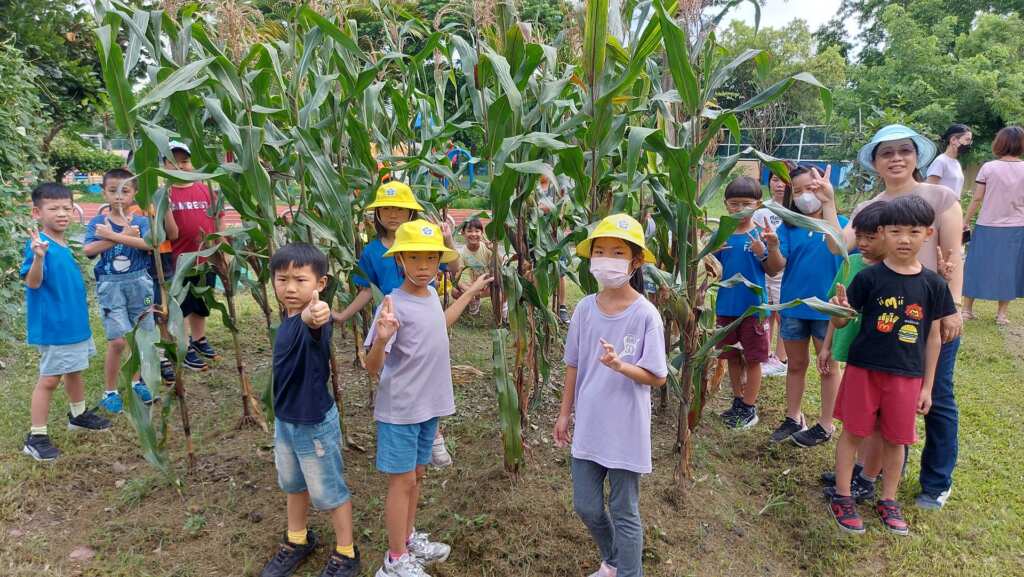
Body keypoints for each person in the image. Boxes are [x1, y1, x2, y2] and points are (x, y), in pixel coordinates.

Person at [822, 123, 964, 510]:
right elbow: (840, 246)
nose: (896, 158)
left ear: (917, 156)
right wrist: (830, 204)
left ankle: (936, 482)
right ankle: (870, 474)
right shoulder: (870, 208)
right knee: (877, 397)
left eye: (904, 150)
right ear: (875, 162)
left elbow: (953, 252)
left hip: (930, 315)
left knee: (936, 397)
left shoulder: (941, 197)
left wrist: (953, 306)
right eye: (886, 153)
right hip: (882, 318)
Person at [364, 220, 492, 577]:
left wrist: (468, 293)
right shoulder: (392, 304)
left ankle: (407, 540)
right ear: (400, 260)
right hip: (400, 410)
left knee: (417, 477)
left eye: (430, 258)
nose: (423, 266)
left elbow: (440, 323)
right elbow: (372, 367)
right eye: (414, 258)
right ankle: (393, 560)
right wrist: (380, 338)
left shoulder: (432, 295)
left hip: (427, 408)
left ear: (439, 259)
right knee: (402, 482)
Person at [553, 213, 667, 577]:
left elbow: (657, 377)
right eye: (599, 251)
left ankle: (627, 571)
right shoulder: (585, 309)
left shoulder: (646, 315)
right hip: (589, 423)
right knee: (585, 505)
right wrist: (564, 413)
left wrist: (620, 366)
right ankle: (614, 559)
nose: (606, 259)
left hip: (626, 428)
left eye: (616, 252)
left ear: (635, 262)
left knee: (624, 510)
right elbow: (573, 364)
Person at [333, 182, 461, 469]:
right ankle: (406, 436)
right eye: (386, 208)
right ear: (377, 213)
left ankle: (434, 435)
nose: (392, 214)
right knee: (400, 380)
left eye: (399, 209)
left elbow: (453, 268)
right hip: (392, 320)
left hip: (421, 318)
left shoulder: (423, 243)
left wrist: (448, 239)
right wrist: (343, 316)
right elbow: (366, 290)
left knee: (427, 378)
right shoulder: (371, 252)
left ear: (410, 213)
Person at [258, 243, 360, 577]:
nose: (289, 287)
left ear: (320, 283)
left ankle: (347, 552)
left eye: (300, 280)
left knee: (329, 491)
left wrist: (314, 315)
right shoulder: (287, 316)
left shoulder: (313, 317)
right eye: (281, 278)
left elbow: (314, 321)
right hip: (286, 420)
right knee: (292, 484)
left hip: (314, 424)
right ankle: (298, 538)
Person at [20, 183, 112, 462]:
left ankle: (78, 414)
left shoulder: (62, 244)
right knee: (49, 380)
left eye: (66, 208)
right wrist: (38, 257)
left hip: (75, 324)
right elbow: (32, 283)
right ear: (37, 212)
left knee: (75, 370)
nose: (62, 213)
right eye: (53, 208)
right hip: (55, 327)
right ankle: (36, 437)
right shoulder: (40, 246)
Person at [767, 165, 848, 448]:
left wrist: (829, 206)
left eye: (810, 188)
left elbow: (841, 248)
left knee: (828, 366)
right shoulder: (790, 227)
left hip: (827, 310)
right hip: (793, 307)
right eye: (797, 191)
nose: (803, 196)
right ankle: (793, 417)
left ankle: (826, 424)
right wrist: (774, 246)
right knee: (796, 365)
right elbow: (777, 266)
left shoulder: (841, 223)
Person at [817, 201, 890, 502]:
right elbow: (836, 306)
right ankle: (855, 469)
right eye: (859, 237)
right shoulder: (852, 264)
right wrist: (827, 346)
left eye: (871, 237)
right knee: (857, 417)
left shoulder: (893, 275)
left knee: (874, 421)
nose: (863, 244)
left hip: (879, 357)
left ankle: (867, 475)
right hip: (854, 354)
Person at [83, 169, 157, 413]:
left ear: (134, 193)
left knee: (139, 337)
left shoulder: (142, 222)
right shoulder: (97, 223)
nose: (118, 196)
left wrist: (115, 236)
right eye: (112, 190)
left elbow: (149, 244)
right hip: (110, 286)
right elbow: (89, 250)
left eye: (125, 190)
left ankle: (136, 382)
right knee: (117, 341)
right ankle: (110, 390)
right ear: (103, 192)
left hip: (140, 283)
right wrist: (119, 236)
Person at [715, 177, 783, 429]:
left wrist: (764, 251)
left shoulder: (762, 234)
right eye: (734, 203)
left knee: (754, 359)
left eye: (747, 203)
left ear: (757, 205)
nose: (740, 208)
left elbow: (774, 270)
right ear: (725, 205)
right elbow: (708, 268)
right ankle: (737, 400)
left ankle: (749, 406)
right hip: (725, 307)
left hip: (754, 308)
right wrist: (711, 251)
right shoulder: (720, 235)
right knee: (732, 356)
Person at [163, 141, 223, 372]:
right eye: (173, 162)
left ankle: (199, 339)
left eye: (185, 161)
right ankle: (185, 345)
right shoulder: (165, 194)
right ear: (164, 166)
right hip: (179, 261)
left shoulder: (205, 189)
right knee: (183, 306)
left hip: (205, 258)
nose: (180, 166)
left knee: (202, 303)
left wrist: (220, 247)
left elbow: (218, 219)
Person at [962, 126, 1024, 325]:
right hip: (1017, 226)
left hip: (987, 224)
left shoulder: (988, 167)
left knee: (976, 265)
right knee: (1009, 268)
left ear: (999, 143)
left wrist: (965, 220)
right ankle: (1001, 315)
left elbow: (977, 198)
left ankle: (967, 310)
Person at [754, 161, 797, 376]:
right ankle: (766, 354)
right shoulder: (762, 210)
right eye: (774, 179)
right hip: (765, 269)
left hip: (786, 272)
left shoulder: (796, 212)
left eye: (784, 179)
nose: (779, 184)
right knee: (766, 312)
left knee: (782, 313)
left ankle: (781, 357)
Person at [538, 174, 571, 323]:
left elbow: (562, 208)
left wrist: (546, 209)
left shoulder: (558, 185)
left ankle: (561, 306)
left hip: (555, 235)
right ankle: (539, 304)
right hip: (537, 235)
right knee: (538, 270)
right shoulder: (531, 187)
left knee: (560, 271)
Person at [454, 217, 502, 317]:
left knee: (503, 286)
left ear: (482, 233)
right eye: (469, 231)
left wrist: (494, 250)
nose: (474, 234)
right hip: (471, 286)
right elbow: (458, 277)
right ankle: (473, 303)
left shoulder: (486, 247)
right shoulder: (462, 253)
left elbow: (500, 264)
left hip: (488, 285)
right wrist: (470, 290)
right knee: (454, 292)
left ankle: (503, 310)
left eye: (477, 231)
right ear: (463, 233)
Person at [926, 124, 972, 198]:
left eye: (970, 141)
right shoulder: (940, 161)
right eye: (967, 140)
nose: (969, 144)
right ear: (953, 140)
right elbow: (928, 190)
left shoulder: (956, 163)